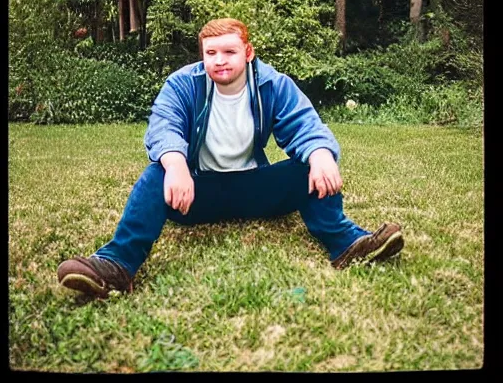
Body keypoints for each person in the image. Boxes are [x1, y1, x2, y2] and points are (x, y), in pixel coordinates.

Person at [57, 18, 404, 298]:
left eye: (229, 51)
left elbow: (303, 123)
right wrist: (176, 165)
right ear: (202, 55)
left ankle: (346, 242)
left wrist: (320, 153)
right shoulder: (182, 84)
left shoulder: (272, 84)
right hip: (195, 194)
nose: (219, 60)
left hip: (255, 191)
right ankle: (116, 265)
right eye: (211, 53)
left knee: (310, 163)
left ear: (248, 52)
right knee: (156, 173)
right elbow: (164, 126)